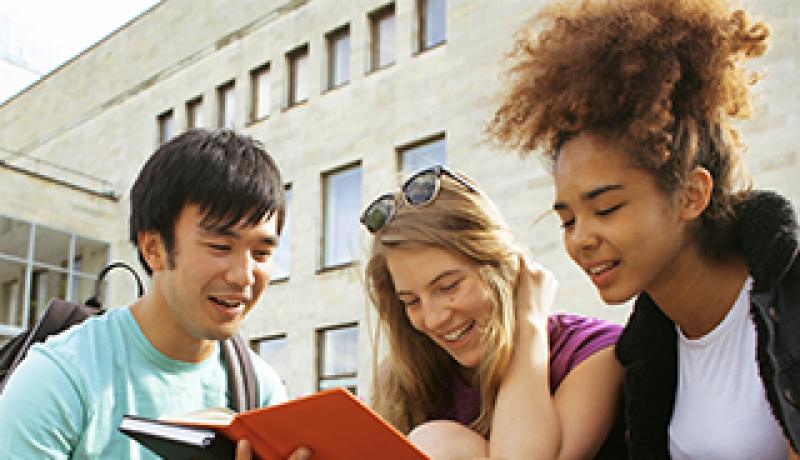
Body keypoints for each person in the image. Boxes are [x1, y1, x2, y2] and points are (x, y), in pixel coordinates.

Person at [489, 0, 800, 458]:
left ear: (692, 195)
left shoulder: (789, 306)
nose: (581, 239)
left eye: (608, 208)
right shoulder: (644, 354)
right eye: (568, 220)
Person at [0, 129, 310, 460]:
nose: (243, 276)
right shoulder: (59, 379)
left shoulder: (260, 392)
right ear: (154, 249)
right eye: (221, 247)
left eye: (262, 253)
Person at [361, 165, 627, 459]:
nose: (434, 319)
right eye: (411, 301)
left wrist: (529, 321)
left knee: (439, 443)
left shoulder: (593, 352)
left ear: (500, 267)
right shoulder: (407, 376)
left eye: (448, 287)